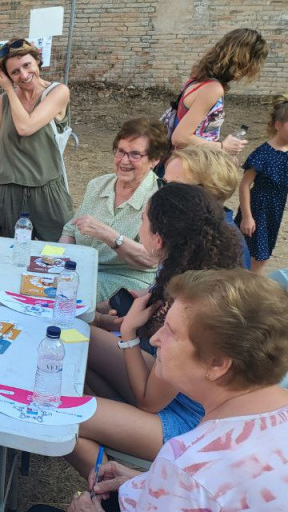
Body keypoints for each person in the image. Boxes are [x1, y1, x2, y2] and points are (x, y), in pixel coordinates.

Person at [24, 269, 288, 512]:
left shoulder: (189, 464)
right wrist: (146, 482)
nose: (156, 339)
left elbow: (199, 486)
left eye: (171, 332)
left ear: (217, 364)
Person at [66, 184, 242, 477]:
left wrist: (129, 335)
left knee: (62, 416)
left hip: (188, 421)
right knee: (83, 338)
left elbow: (150, 401)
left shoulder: (192, 308)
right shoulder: (185, 271)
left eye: (143, 220)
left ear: (158, 239)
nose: (139, 226)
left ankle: (122, 490)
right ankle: (107, 428)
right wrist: (111, 321)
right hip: (170, 389)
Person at [59, 119, 164, 300]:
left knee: (65, 290)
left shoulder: (159, 199)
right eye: (121, 151)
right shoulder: (98, 185)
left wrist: (108, 235)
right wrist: (59, 264)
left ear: (154, 160)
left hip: (128, 281)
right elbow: (70, 230)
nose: (124, 161)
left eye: (135, 155)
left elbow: (151, 259)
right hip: (83, 270)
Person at [0, 38, 73, 241]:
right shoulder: (1, 103)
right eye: (15, 72)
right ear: (7, 76)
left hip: (47, 190)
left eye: (27, 65)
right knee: (9, 256)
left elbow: (26, 127)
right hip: (8, 192)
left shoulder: (58, 92)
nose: (24, 75)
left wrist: (8, 89)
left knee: (57, 253)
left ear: (37, 61)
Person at [168, 28, 268, 156]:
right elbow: (180, 138)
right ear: (244, 61)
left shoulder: (198, 79)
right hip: (191, 163)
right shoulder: (212, 89)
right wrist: (222, 147)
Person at [164, 145, 251, 268]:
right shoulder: (184, 224)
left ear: (209, 190)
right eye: (163, 183)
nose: (163, 193)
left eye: (175, 187)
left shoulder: (226, 248)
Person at [236, 93, 288, 274]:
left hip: (275, 210)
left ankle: (250, 290)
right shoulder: (263, 153)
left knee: (263, 256)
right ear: (278, 125)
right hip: (258, 209)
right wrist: (247, 217)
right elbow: (244, 185)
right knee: (252, 256)